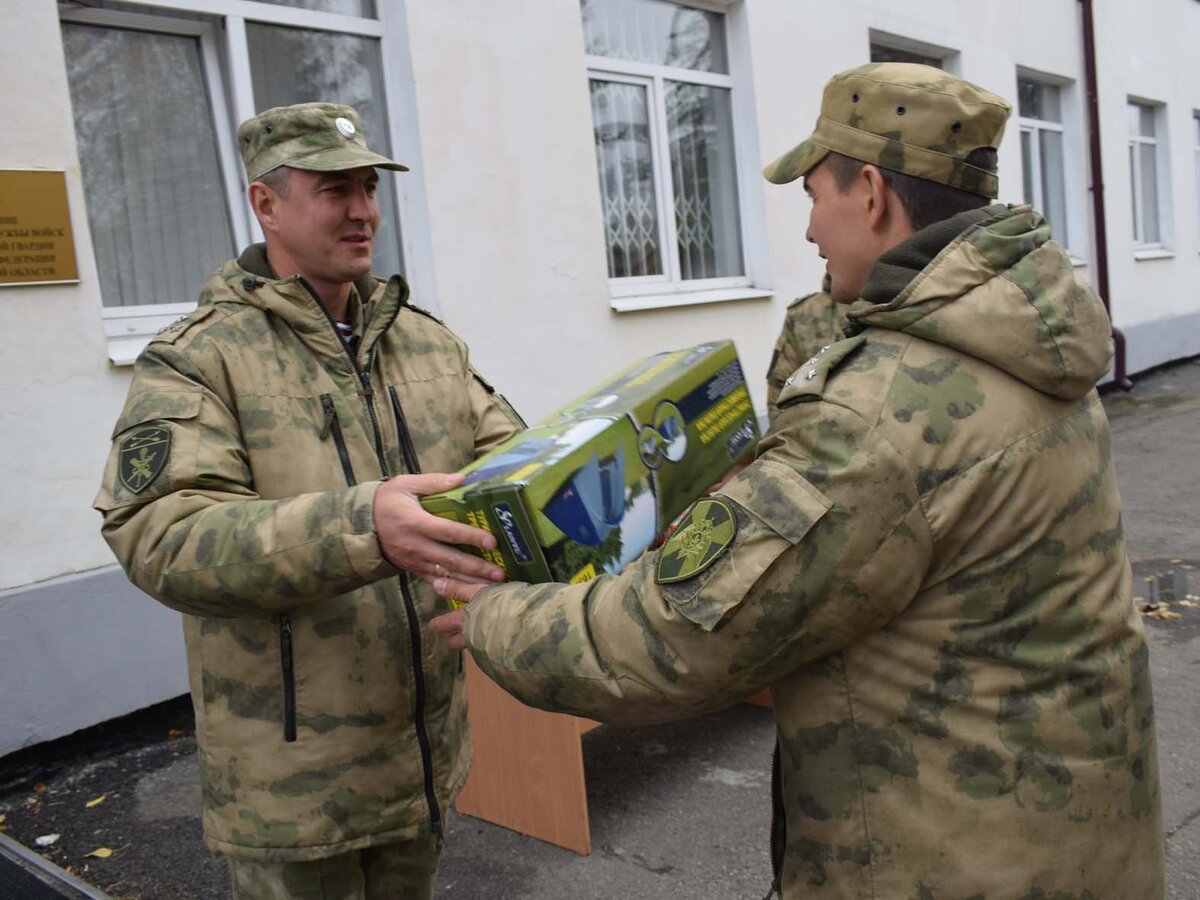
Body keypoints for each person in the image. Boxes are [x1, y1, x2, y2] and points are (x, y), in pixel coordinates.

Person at [428, 64, 1165, 898]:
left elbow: (677, 640)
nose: (811, 228)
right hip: (1074, 830)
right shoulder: (1024, 336)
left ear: (874, 194)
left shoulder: (882, 407)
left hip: (948, 856)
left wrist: (495, 615)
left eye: (816, 195)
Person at [93, 102, 523, 899]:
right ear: (266, 204)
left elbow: (511, 466)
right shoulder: (199, 359)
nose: (363, 211)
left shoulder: (425, 342)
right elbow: (161, 536)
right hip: (290, 783)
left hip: (421, 754)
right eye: (335, 190)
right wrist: (362, 527)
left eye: (368, 187)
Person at [765, 275, 841, 424]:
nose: (821, 252)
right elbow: (780, 390)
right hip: (817, 439)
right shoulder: (805, 314)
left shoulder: (895, 312)